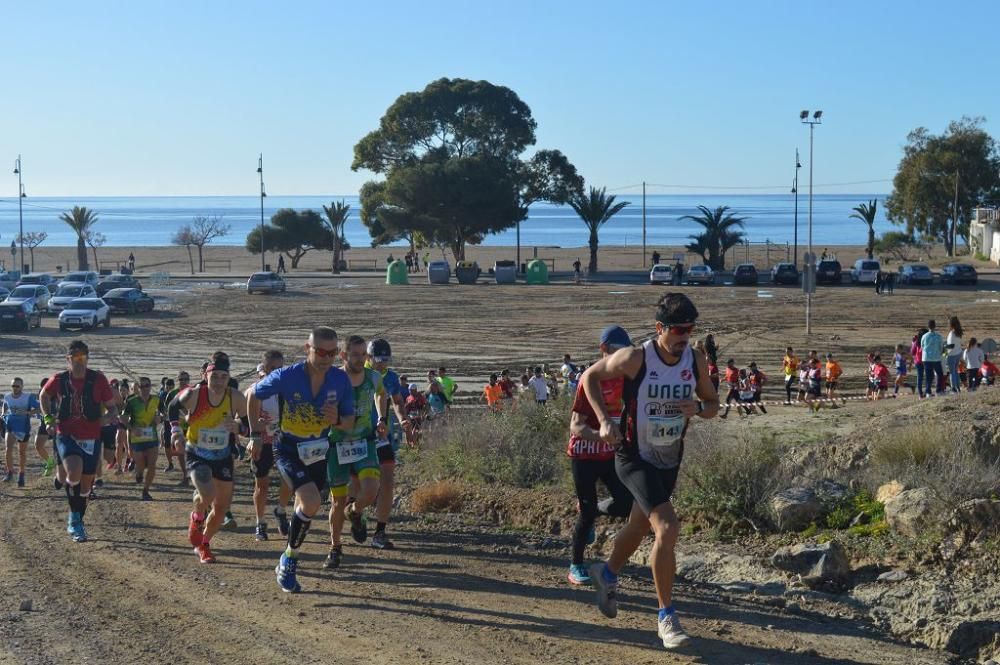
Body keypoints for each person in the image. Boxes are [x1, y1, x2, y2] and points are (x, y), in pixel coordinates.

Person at [584, 293, 718, 650]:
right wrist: (603, 421)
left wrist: (699, 407)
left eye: (690, 330)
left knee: (641, 524)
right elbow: (589, 377)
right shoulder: (635, 358)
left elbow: (713, 404)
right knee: (668, 527)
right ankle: (666, 618)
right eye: (678, 330)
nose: (684, 337)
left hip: (668, 458)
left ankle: (607, 572)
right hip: (632, 455)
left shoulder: (696, 360)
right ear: (660, 328)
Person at [250, 327, 354, 592]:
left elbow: (349, 420)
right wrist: (255, 434)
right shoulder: (287, 376)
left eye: (332, 353)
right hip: (289, 448)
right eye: (320, 352)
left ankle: (288, 556)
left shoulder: (340, 380)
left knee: (308, 506)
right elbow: (252, 395)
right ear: (307, 348)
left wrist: (337, 420)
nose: (326, 358)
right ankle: (290, 562)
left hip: (318, 449)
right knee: (311, 500)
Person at [566, 325, 635, 586]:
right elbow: (576, 425)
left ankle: (592, 510)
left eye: (626, 352)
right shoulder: (589, 379)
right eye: (618, 351)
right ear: (604, 350)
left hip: (610, 454)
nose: (622, 358)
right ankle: (576, 565)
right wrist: (599, 435)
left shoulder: (626, 379)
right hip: (583, 453)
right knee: (586, 512)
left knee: (626, 502)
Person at [40, 340, 120, 542]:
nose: (79, 361)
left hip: (91, 437)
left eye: (82, 357)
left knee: (85, 488)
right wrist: (48, 418)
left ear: (87, 358)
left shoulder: (98, 380)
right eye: (75, 357)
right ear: (68, 359)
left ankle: (76, 518)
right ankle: (75, 524)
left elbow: (113, 408)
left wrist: (107, 418)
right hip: (66, 433)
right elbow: (43, 395)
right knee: (73, 471)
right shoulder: (59, 379)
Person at [173, 353, 248, 563]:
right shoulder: (194, 394)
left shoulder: (236, 397)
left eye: (223, 376)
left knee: (221, 507)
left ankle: (204, 544)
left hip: (222, 456)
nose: (218, 381)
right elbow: (172, 407)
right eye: (214, 376)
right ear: (206, 376)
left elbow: (248, 426)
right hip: (197, 452)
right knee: (206, 493)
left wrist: (239, 428)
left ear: (228, 377)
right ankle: (197, 517)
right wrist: (176, 432)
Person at [323, 335, 386, 569]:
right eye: (356, 355)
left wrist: (381, 418)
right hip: (336, 445)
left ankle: (356, 511)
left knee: (371, 490)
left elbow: (381, 394)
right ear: (343, 355)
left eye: (364, 355)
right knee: (337, 502)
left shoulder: (373, 377)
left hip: (364, 442)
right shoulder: (333, 379)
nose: (361, 359)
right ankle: (335, 547)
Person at [365, 338, 409, 550]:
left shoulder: (390, 377)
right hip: (357, 437)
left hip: (382, 436)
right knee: (358, 488)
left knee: (388, 481)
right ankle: (354, 512)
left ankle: (380, 532)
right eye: (380, 359)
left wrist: (403, 420)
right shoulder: (354, 375)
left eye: (387, 360)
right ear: (369, 357)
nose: (383, 364)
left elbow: (398, 402)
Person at [245, 351, 285, 541]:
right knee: (262, 484)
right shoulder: (255, 389)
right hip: (263, 442)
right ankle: (260, 522)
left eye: (279, 368)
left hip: (284, 439)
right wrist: (253, 430)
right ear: (264, 368)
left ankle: (281, 510)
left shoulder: (289, 389)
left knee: (290, 479)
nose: (275, 372)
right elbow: (241, 420)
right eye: (271, 368)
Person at [122, 376, 161, 501]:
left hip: (152, 438)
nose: (145, 389)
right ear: (137, 388)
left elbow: (164, 413)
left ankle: (146, 490)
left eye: (147, 386)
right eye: (142, 386)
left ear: (150, 386)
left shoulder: (156, 399)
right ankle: (139, 473)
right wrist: (132, 429)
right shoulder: (131, 401)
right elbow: (122, 419)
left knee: (152, 465)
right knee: (141, 465)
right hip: (137, 439)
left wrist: (160, 418)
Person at [3, 377, 40, 487]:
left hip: (23, 427)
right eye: (13, 386)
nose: (15, 388)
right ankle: (10, 472)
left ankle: (21, 474)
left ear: (22, 387)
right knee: (8, 449)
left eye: (17, 386)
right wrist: (3, 414)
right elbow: (5, 405)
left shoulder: (28, 397)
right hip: (10, 425)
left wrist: (29, 412)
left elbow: (40, 407)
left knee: (21, 453)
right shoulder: (7, 396)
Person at [920, 321, 944, 397]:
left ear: (928, 326)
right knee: (940, 374)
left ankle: (928, 392)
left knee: (928, 375)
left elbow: (922, 346)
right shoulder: (939, 336)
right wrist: (939, 353)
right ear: (935, 326)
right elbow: (941, 347)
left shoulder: (924, 336)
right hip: (936, 358)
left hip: (926, 358)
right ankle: (938, 390)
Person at [945, 316, 964, 393]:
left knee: (952, 372)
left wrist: (943, 353)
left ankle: (954, 388)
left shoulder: (952, 333)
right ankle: (958, 387)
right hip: (958, 353)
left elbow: (950, 346)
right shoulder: (959, 332)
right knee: (955, 371)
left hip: (952, 355)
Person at [911, 329, 927, 398]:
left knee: (919, 377)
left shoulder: (916, 342)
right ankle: (927, 391)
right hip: (926, 360)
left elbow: (912, 352)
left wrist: (913, 343)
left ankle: (920, 394)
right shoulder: (926, 341)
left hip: (918, 361)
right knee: (928, 376)